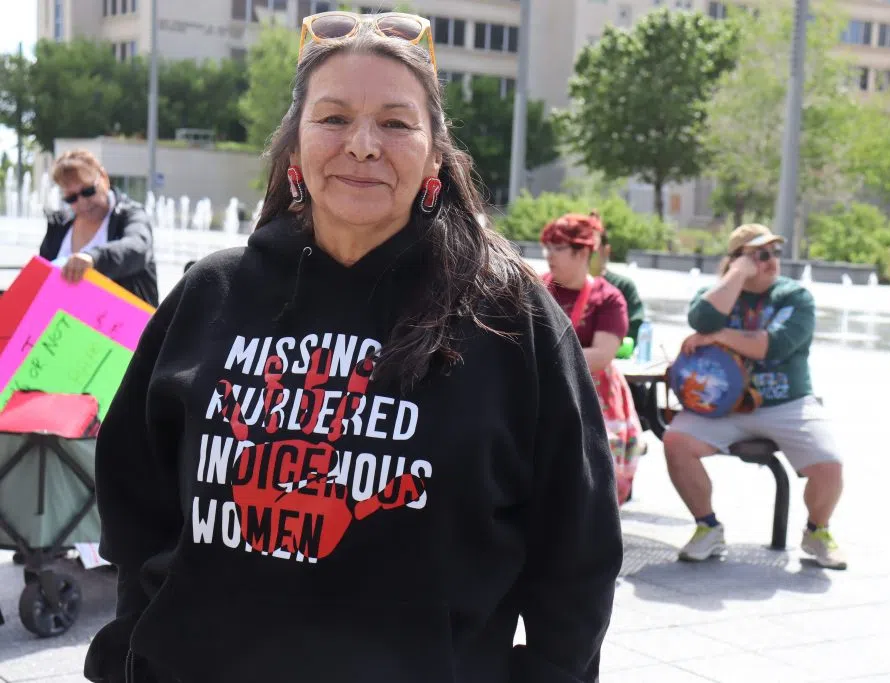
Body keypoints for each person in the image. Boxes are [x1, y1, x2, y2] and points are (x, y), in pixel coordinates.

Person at [83, 12, 622, 683]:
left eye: (396, 123)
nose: (362, 144)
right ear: (295, 146)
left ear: (434, 154)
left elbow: (578, 548)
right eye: (333, 118)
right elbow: (135, 499)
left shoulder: (510, 316)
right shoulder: (211, 293)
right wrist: (135, 645)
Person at [664, 224, 846, 569]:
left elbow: (771, 345)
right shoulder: (716, 292)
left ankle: (817, 531)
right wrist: (735, 275)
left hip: (786, 402)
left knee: (829, 465)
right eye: (760, 255)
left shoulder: (795, 297)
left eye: (775, 253)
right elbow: (700, 319)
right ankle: (708, 527)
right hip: (723, 406)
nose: (771, 261)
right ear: (736, 260)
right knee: (676, 441)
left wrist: (720, 335)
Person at [541, 212, 644, 506]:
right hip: (542, 392)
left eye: (558, 248)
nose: (549, 255)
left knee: (594, 481)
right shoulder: (534, 288)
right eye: (548, 247)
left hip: (593, 398)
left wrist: (542, 360)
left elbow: (601, 356)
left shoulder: (608, 298)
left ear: (584, 251)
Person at [39, 149, 159, 307]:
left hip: (122, 326)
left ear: (103, 177)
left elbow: (138, 247)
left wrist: (94, 258)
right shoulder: (59, 225)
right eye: (71, 197)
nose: (82, 202)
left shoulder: (129, 215)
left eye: (88, 191)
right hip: (66, 326)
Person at [590, 224, 645, 342]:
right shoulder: (559, 284)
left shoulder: (623, 287)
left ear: (606, 250)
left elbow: (635, 332)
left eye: (592, 247)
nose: (586, 253)